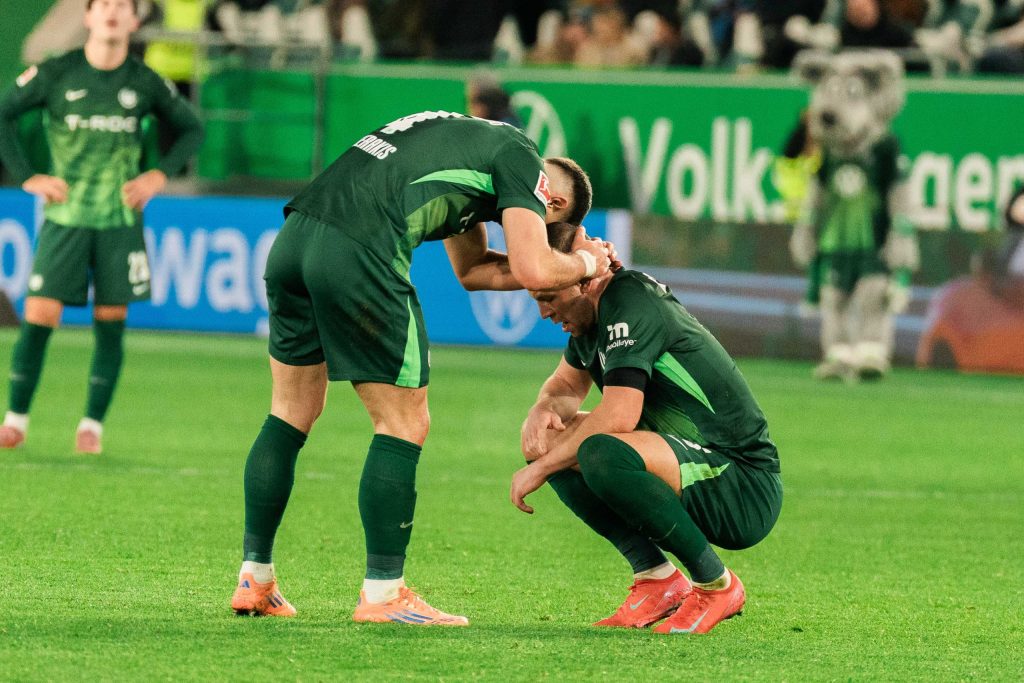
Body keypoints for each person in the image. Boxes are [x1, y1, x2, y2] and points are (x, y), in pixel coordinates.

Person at [229, 110, 614, 626]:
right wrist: (589, 263)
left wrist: (554, 267)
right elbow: (533, 267)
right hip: (361, 250)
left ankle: (255, 578)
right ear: (554, 203)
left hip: (296, 238)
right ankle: (383, 594)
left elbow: (473, 270)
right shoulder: (522, 161)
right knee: (404, 423)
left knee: (290, 411)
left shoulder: (473, 146)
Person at [511, 222, 782, 635]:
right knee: (546, 438)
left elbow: (619, 415)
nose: (544, 313)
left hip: (741, 482)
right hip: (687, 457)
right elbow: (565, 386)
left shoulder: (630, 301)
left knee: (600, 451)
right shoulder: (592, 316)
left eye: (548, 298)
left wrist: (543, 469)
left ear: (583, 282)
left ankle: (716, 586)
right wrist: (541, 409)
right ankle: (656, 579)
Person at [0, 0, 203, 454]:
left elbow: (192, 129)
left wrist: (158, 174)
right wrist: (28, 176)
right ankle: (15, 420)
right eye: (103, 4)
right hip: (66, 218)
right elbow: (3, 114)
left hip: (119, 221)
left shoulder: (145, 81)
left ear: (134, 20)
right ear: (88, 17)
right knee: (40, 314)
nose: (112, 11)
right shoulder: (56, 72)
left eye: (121, 5)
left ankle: (91, 425)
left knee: (110, 320)